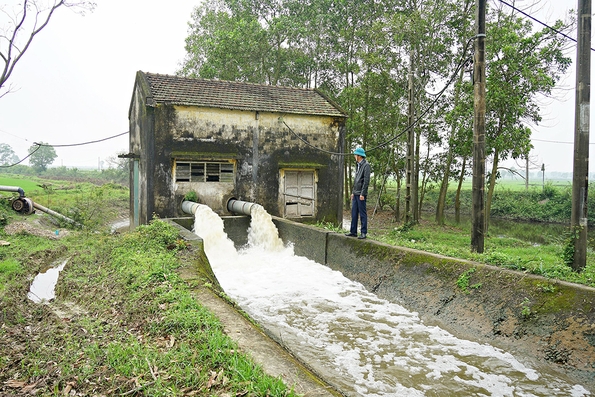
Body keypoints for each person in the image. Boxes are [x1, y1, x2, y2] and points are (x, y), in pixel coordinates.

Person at [345, 147, 371, 239]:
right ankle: (353, 231)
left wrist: (362, 194)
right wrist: (353, 192)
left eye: (355, 155)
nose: (354, 156)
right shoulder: (358, 165)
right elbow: (356, 180)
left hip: (361, 194)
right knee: (354, 213)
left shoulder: (366, 165)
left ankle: (363, 232)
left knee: (362, 213)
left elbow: (366, 181)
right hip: (355, 193)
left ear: (359, 156)